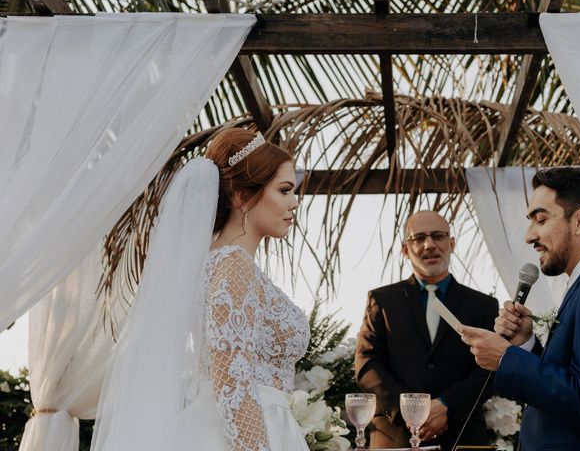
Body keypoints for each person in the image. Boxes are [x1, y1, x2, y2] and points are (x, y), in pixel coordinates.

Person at [91, 128, 310, 451]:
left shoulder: (220, 263)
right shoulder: (233, 264)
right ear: (241, 196)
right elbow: (232, 383)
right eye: (285, 190)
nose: (294, 203)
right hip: (244, 435)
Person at [460, 167, 580, 449]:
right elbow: (574, 383)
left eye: (541, 220)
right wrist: (526, 344)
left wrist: (507, 359)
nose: (529, 236)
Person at [355, 210, 499, 451]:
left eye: (437, 236)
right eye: (418, 238)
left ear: (451, 243)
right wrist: (412, 412)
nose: (429, 244)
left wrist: (446, 405)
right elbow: (367, 365)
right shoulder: (382, 300)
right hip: (394, 438)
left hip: (462, 436)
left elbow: (491, 369)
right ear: (404, 250)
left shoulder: (483, 305)